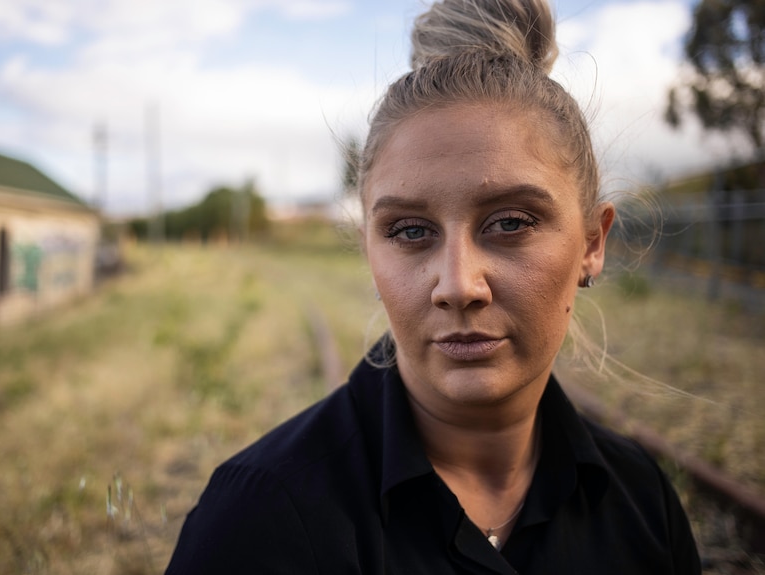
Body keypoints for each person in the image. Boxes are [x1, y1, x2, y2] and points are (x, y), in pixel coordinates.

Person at [164, 0, 702, 572]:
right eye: (410, 231)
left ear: (592, 243)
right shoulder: (258, 523)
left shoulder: (645, 507)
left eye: (511, 223)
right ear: (370, 254)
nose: (458, 286)